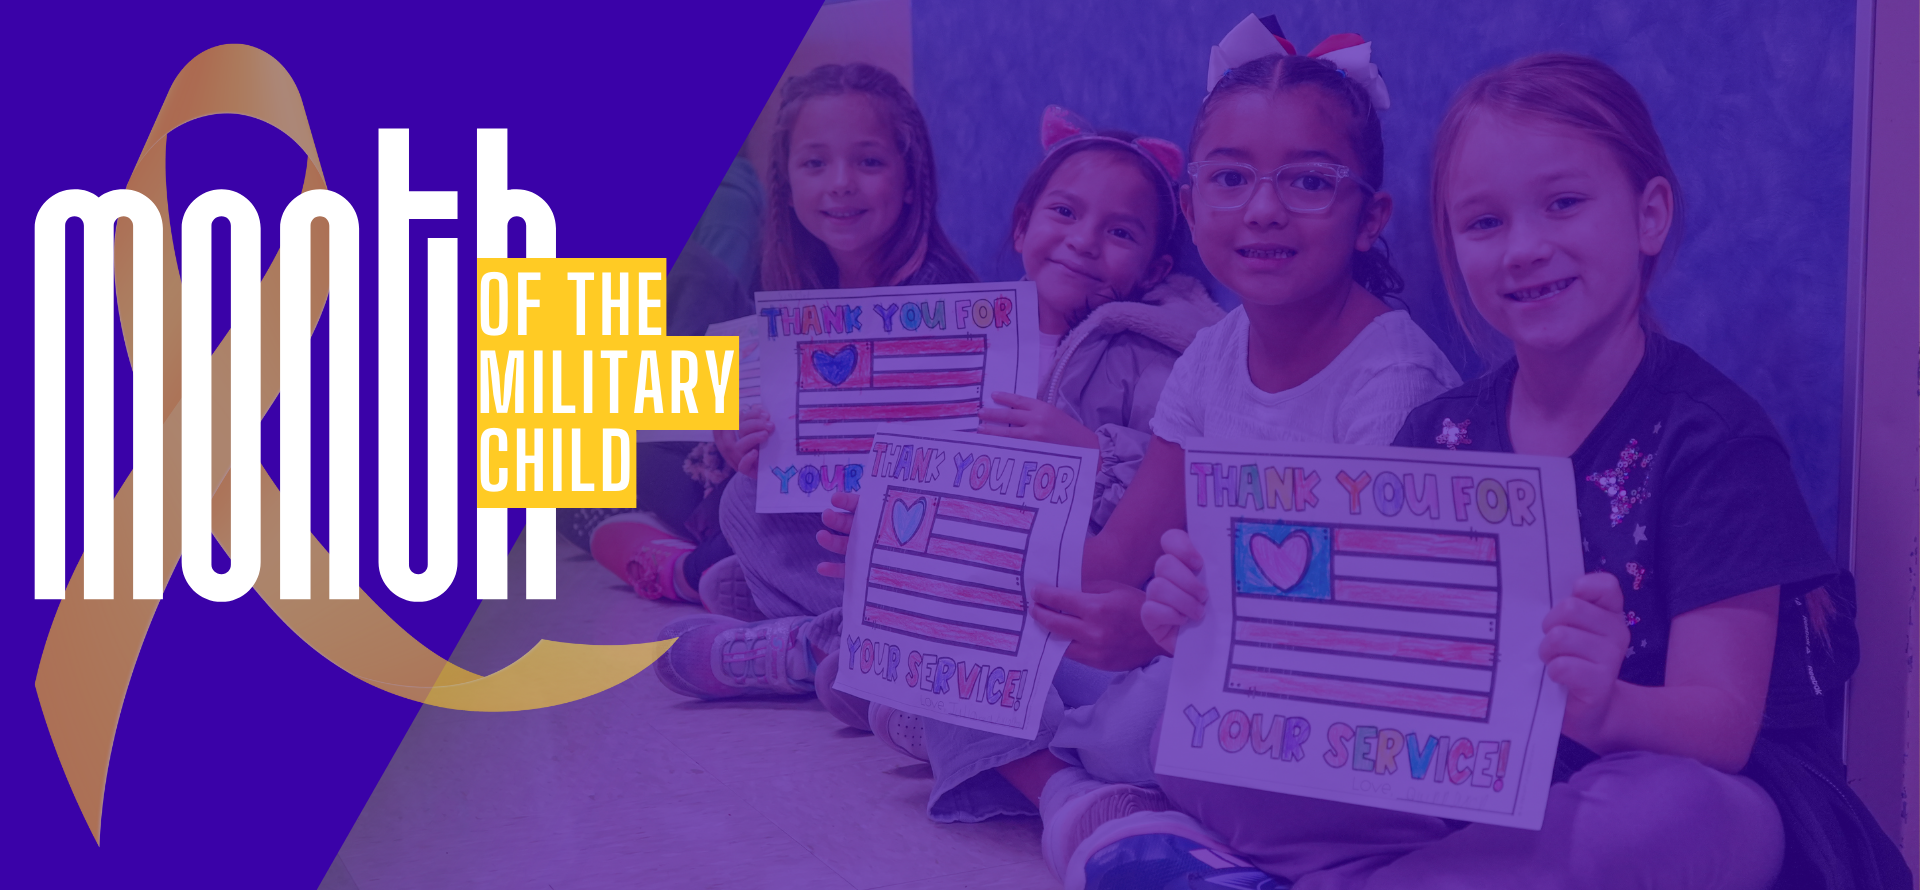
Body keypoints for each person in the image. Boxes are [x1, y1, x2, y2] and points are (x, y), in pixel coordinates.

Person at [1099, 52, 1908, 890]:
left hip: (1684, 784)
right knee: (1203, 752)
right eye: (1484, 224)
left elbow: (1724, 728)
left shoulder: (1711, 441)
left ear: (1650, 215)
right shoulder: (1442, 432)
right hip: (1482, 788)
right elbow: (1373, 665)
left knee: (1665, 813)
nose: (1523, 248)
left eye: (1563, 204)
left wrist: (1609, 706)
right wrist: (1216, 627)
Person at [823, 17, 1461, 874]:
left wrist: (1165, 644)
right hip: (1172, 652)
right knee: (948, 641)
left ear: (1368, 217)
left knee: (1145, 719)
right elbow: (1116, 559)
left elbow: (1347, 643)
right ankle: (1074, 791)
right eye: (1230, 179)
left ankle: (1040, 764)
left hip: (1294, 691)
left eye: (1309, 182)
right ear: (1193, 208)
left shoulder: (1394, 380)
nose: (1264, 209)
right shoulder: (1209, 355)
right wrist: (923, 552)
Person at [818, 104, 1227, 812]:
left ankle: (1030, 773)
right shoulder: (970, 340)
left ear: (1157, 266)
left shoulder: (1157, 356)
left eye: (1119, 232)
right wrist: (886, 531)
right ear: (1021, 227)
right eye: (1064, 212)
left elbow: (1155, 515)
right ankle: (950, 720)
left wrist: (1092, 452)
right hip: (988, 585)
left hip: (1090, 611)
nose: (1084, 242)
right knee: (872, 655)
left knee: (922, 665)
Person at [652, 61, 977, 701]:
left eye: (869, 163)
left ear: (911, 181)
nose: (841, 186)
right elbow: (786, 456)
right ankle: (836, 636)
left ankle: (820, 642)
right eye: (816, 165)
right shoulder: (793, 293)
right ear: (788, 184)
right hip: (841, 526)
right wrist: (749, 451)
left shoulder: (945, 300)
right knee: (743, 502)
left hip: (925, 533)